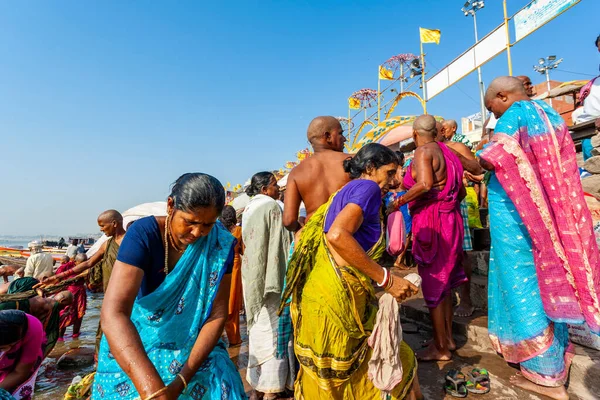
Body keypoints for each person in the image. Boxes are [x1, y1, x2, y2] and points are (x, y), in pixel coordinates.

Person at [479, 76, 600, 400]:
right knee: (547, 281)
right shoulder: (551, 115)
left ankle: (546, 375)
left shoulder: (517, 114)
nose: (496, 118)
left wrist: (469, 157)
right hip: (547, 218)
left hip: (520, 223)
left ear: (503, 96)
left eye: (494, 110)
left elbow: (496, 156)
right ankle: (557, 357)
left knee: (524, 286)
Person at [281, 143, 422, 399]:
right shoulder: (367, 187)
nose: (393, 180)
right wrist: (387, 279)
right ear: (370, 168)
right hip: (337, 299)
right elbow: (337, 235)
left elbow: (305, 232)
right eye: (390, 173)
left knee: (330, 379)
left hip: (322, 296)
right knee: (387, 361)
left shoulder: (346, 190)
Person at [93, 173, 246, 399]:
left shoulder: (219, 243)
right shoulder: (143, 235)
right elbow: (113, 314)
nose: (197, 233)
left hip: (192, 344)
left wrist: (181, 380)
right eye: (191, 222)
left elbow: (216, 316)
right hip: (138, 339)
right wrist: (152, 390)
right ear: (170, 205)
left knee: (222, 381)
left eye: (207, 224)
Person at [394, 115, 467, 362]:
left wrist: (398, 202)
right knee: (444, 284)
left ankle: (440, 348)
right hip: (451, 219)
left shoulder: (423, 151)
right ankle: (447, 339)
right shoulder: (449, 152)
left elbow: (424, 184)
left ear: (415, 134)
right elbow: (463, 190)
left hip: (433, 221)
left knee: (434, 283)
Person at [40, 209, 126, 354]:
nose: (101, 230)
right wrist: (58, 277)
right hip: (110, 292)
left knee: (124, 326)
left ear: (114, 223)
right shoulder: (107, 244)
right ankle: (102, 360)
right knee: (106, 327)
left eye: (103, 226)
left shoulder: (130, 241)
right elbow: (88, 263)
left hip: (128, 291)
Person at [242, 172, 294, 399]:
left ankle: (257, 386)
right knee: (276, 333)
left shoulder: (248, 208)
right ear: (264, 189)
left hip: (253, 278)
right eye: (274, 185)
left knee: (258, 332)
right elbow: (282, 244)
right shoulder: (273, 206)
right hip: (272, 280)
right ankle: (271, 388)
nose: (277, 189)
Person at [283, 116, 350, 231]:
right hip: (351, 234)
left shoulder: (297, 172)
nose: (344, 139)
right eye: (340, 133)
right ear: (328, 136)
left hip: (315, 240)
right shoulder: (353, 161)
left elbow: (289, 221)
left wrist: (303, 230)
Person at [0, 310, 45, 399]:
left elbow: (20, 373)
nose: (8, 350)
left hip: (23, 355)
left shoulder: (33, 329)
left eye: (11, 346)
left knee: (16, 393)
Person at [219, 205, 243, 347]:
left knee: (219, 302)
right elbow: (243, 250)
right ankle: (234, 338)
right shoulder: (238, 231)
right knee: (232, 304)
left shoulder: (217, 230)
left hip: (220, 266)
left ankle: (218, 336)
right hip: (234, 266)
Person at [56, 254, 87, 341]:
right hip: (69, 293)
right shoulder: (65, 267)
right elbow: (58, 281)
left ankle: (75, 335)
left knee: (80, 313)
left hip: (81, 293)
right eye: (80, 263)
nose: (82, 265)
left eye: (84, 263)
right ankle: (60, 337)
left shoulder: (87, 267)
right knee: (65, 313)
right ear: (75, 261)